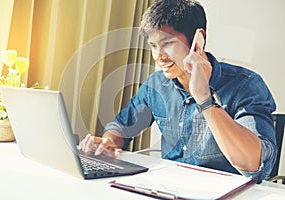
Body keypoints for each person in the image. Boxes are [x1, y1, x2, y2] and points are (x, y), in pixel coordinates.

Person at [78, 0, 277, 183]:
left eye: (168, 43)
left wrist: (204, 99)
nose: (159, 56)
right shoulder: (157, 84)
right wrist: (108, 142)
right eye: (154, 46)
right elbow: (121, 126)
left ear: (198, 41)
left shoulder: (246, 85)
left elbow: (254, 163)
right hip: (167, 187)